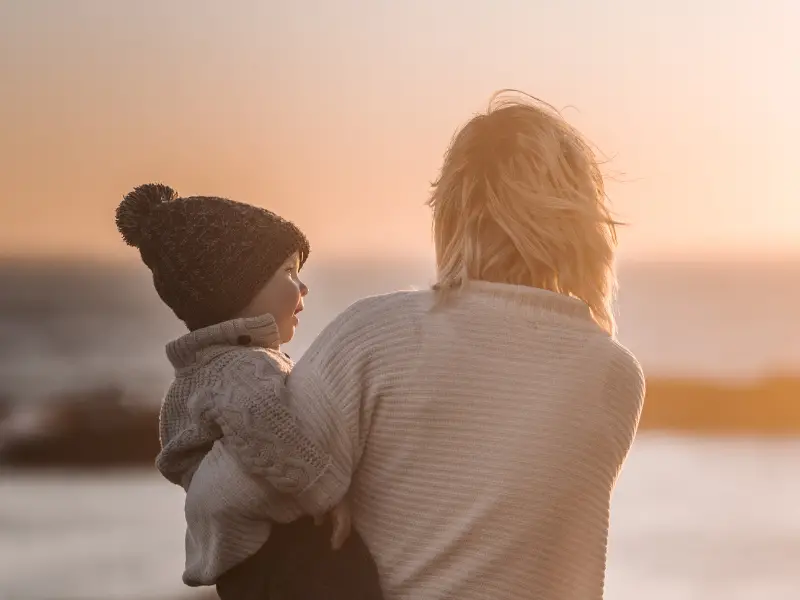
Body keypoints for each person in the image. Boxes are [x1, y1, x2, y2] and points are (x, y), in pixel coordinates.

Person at [240, 91, 646, 600]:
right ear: (580, 220)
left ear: (452, 210)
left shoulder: (377, 335)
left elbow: (244, 491)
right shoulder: (614, 375)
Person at [114, 183, 383, 600]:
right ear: (236, 288)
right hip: (282, 555)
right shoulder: (242, 370)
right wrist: (330, 497)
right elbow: (278, 439)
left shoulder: (201, 370)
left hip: (246, 566)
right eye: (289, 272)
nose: (303, 287)